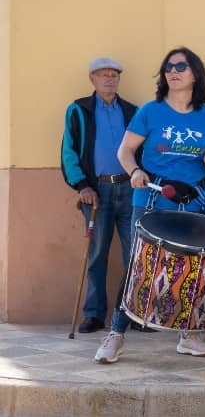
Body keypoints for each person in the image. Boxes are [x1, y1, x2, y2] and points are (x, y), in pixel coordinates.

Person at [94, 47, 205, 364]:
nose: (172, 71)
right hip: (152, 197)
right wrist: (134, 172)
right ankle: (116, 334)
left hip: (193, 200)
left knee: (195, 268)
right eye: (168, 67)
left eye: (180, 66)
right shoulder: (150, 112)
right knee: (139, 267)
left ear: (195, 73)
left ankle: (189, 334)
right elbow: (125, 152)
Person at [61, 58, 139, 334]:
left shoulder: (132, 111)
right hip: (97, 192)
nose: (109, 79)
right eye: (103, 75)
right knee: (96, 255)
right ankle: (94, 315)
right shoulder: (79, 109)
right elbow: (69, 151)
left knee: (136, 255)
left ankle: (134, 314)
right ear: (92, 79)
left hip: (131, 190)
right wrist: (82, 186)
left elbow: (143, 148)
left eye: (114, 75)